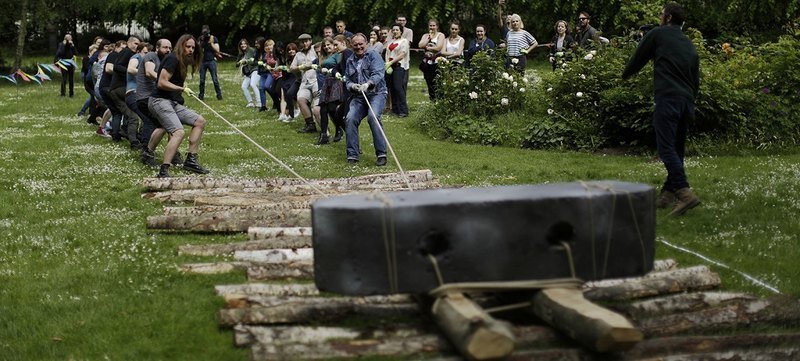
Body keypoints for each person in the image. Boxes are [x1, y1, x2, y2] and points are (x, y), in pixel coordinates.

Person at [622, 2, 700, 216]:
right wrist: (690, 101)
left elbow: (639, 58)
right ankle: (667, 194)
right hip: (686, 101)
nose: (659, 18)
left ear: (667, 18)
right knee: (677, 148)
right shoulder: (688, 43)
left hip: (668, 98)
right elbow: (695, 78)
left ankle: (684, 193)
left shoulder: (658, 34)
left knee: (666, 148)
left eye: (661, 15)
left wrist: (625, 75)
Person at [148, 34, 209, 178]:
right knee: (178, 132)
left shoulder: (182, 61)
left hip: (172, 102)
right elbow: (161, 82)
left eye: (193, 47)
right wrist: (180, 89)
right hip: (159, 101)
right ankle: (164, 170)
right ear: (181, 46)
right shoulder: (172, 58)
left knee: (200, 121)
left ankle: (191, 161)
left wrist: (181, 87)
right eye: (188, 46)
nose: (191, 50)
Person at [344, 33, 389, 166]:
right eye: (355, 45)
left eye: (361, 44)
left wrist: (367, 84)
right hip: (358, 96)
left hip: (377, 93)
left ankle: (381, 154)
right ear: (351, 45)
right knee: (350, 118)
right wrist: (352, 85)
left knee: (373, 117)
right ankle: (352, 155)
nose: (358, 47)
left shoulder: (374, 55)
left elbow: (378, 74)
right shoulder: (350, 60)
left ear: (366, 44)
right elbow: (347, 79)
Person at [137, 39, 173, 167]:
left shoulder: (165, 61)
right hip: (145, 97)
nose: (168, 50)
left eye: (170, 48)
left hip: (155, 97)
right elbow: (149, 72)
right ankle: (147, 153)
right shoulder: (150, 56)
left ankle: (169, 153)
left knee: (161, 123)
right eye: (165, 47)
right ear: (157, 48)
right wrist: (163, 80)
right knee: (161, 123)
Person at [110, 35, 143, 150]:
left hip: (114, 89)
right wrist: (130, 72)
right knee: (134, 115)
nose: (137, 47)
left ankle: (124, 133)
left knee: (129, 114)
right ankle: (134, 141)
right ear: (129, 43)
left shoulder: (125, 52)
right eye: (136, 44)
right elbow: (117, 67)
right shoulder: (128, 52)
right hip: (120, 88)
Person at [315, 37, 345, 145]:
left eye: (329, 45)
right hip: (327, 83)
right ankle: (324, 135)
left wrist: (332, 71)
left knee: (332, 108)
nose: (327, 47)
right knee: (323, 109)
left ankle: (339, 129)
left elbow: (340, 68)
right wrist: (321, 70)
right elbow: (319, 68)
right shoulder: (323, 57)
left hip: (336, 82)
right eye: (325, 45)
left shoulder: (338, 55)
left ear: (333, 45)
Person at [290, 33, 318, 133]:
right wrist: (301, 67)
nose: (304, 44)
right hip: (304, 82)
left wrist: (309, 65)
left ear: (311, 41)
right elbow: (292, 68)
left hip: (316, 80)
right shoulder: (298, 55)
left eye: (306, 41)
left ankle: (325, 130)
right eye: (302, 42)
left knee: (317, 106)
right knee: (300, 100)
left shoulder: (315, 50)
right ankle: (310, 124)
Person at [385, 23, 409, 117]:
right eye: (393, 30)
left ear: (401, 31)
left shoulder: (404, 41)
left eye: (397, 30)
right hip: (390, 67)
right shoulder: (390, 42)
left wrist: (391, 62)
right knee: (391, 88)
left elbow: (402, 54)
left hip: (399, 66)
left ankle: (403, 110)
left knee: (398, 88)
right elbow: (387, 53)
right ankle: (395, 109)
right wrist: (387, 63)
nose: (395, 31)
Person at [418, 19, 445, 101]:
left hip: (436, 61)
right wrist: (428, 38)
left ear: (437, 26)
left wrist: (427, 47)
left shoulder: (440, 35)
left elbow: (438, 47)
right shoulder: (425, 35)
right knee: (429, 83)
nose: (432, 27)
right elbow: (420, 45)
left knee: (437, 83)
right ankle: (432, 101)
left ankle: (440, 101)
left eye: (434, 25)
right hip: (427, 62)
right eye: (430, 25)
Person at [198, 25, 223, 100]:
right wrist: (201, 42)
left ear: (209, 31)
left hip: (211, 61)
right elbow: (197, 50)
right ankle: (201, 96)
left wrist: (211, 43)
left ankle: (219, 96)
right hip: (202, 62)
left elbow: (217, 50)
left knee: (215, 80)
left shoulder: (213, 38)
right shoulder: (200, 38)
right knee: (202, 80)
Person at [236, 38, 261, 108]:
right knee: (244, 87)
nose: (243, 45)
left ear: (247, 44)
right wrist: (240, 62)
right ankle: (250, 102)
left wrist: (246, 61)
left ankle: (259, 103)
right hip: (248, 73)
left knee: (253, 84)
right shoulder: (241, 53)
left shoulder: (252, 50)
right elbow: (236, 64)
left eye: (244, 44)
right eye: (241, 44)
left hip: (255, 70)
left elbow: (255, 60)